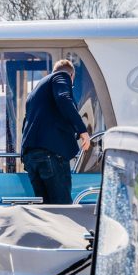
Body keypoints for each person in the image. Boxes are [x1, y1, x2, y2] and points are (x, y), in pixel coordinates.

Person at [20, 59, 92, 205]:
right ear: (71, 76)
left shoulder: (35, 91)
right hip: (50, 154)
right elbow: (64, 98)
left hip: (31, 157)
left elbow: (25, 123)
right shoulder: (61, 77)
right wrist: (83, 131)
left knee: (47, 210)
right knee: (63, 208)